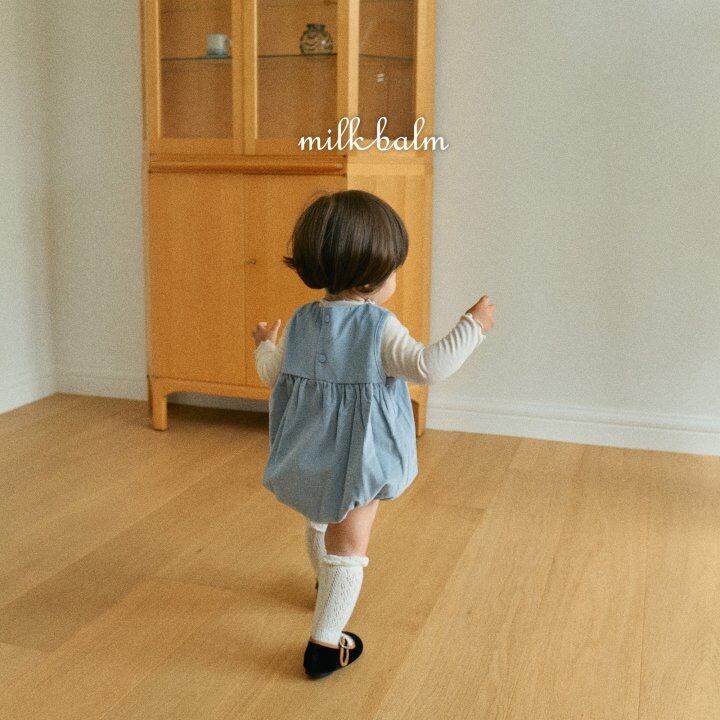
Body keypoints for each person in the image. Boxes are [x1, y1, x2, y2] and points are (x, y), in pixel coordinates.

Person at [251, 189, 496, 679]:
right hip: (359, 458)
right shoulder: (377, 327)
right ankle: (325, 643)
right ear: (371, 273)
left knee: (320, 520)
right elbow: (429, 366)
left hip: (309, 450)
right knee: (349, 544)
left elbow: (271, 375)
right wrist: (474, 326)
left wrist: (264, 344)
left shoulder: (302, 320)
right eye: (393, 269)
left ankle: (324, 587)